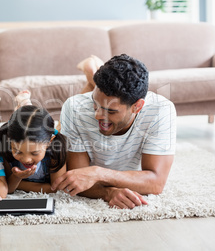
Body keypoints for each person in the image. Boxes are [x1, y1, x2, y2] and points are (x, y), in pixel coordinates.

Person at [51, 54, 177, 209]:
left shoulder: (161, 110)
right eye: (95, 104)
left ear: (137, 106)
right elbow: (78, 178)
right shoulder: (74, 107)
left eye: (110, 111)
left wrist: (98, 173)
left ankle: (91, 68)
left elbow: (156, 183)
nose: (97, 115)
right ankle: (91, 72)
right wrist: (108, 193)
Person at [0, 90, 67, 193]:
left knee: (62, 126)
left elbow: (56, 188)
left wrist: (19, 184)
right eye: (18, 152)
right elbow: (8, 188)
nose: (26, 160)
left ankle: (24, 104)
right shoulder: (6, 149)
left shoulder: (56, 151)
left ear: (49, 142)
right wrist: (17, 177)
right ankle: (23, 105)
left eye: (34, 153)